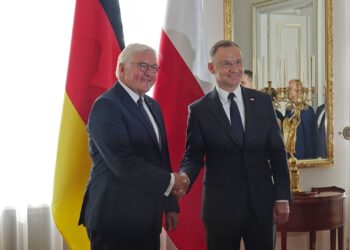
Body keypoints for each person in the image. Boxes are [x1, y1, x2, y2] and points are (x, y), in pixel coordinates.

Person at [175, 40, 291, 250]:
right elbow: (193, 156)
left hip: (261, 205)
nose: (235, 69)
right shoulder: (199, 110)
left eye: (238, 62)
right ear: (212, 68)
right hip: (220, 208)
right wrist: (184, 177)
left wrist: (282, 196)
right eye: (227, 64)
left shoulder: (263, 102)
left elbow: (277, 152)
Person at [78, 43, 188, 250]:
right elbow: (123, 163)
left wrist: (170, 205)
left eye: (154, 68)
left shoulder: (152, 106)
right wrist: (172, 181)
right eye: (142, 66)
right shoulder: (106, 106)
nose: (149, 74)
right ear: (121, 69)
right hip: (114, 219)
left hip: (147, 217)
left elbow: (161, 158)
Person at [284, 79, 316, 159]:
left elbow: (309, 138)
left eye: (290, 89)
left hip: (302, 157)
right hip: (289, 156)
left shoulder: (307, 110)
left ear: (298, 91)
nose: (288, 91)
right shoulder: (288, 109)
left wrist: (308, 160)